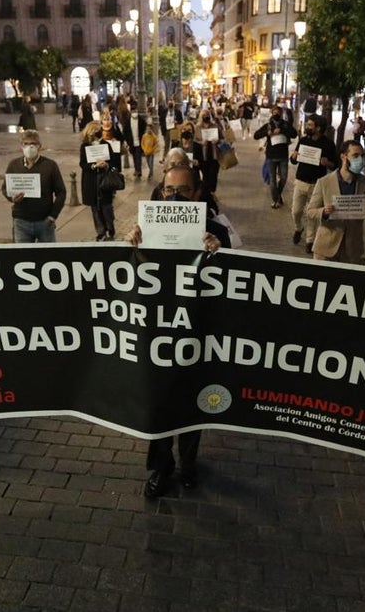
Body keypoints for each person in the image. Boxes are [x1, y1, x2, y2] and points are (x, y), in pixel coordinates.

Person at [126, 163, 230, 498]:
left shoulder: (216, 230)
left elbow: (234, 280)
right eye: (169, 190)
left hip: (195, 332)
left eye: (183, 190)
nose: (175, 197)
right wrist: (130, 246)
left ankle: (188, 463)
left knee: (190, 403)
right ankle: (161, 466)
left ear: (197, 193)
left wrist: (218, 252)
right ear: (160, 192)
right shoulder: (146, 227)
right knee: (158, 403)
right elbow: (128, 275)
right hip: (156, 332)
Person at [305, 140, 365, 264]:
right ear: (343, 157)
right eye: (355, 155)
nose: (360, 160)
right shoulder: (324, 182)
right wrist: (324, 212)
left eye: (362, 156)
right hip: (325, 248)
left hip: (352, 249)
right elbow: (310, 211)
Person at [1, 130, 66, 243]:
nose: (29, 147)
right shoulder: (14, 165)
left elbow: (61, 192)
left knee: (48, 253)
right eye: (25, 144)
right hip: (21, 221)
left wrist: (53, 216)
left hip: (44, 221)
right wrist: (12, 198)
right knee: (23, 253)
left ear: (39, 146)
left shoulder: (50, 165)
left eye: (33, 144)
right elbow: (5, 188)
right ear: (21, 146)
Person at [290, 115, 336, 252]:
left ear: (318, 128)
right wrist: (293, 157)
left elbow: (335, 165)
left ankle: (310, 241)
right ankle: (298, 228)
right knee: (296, 211)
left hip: (317, 184)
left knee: (312, 213)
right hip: (301, 181)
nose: (307, 127)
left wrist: (327, 163)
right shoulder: (303, 140)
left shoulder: (328, 144)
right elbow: (294, 160)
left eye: (310, 125)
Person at [79, 121, 122, 241]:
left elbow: (114, 163)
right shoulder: (85, 146)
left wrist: (107, 165)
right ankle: (100, 231)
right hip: (91, 182)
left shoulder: (106, 145)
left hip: (105, 181)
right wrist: (93, 166)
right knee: (95, 208)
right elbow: (82, 164)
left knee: (106, 207)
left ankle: (110, 229)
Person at [255, 106, 297, 209]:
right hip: (271, 156)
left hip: (283, 156)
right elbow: (256, 135)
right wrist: (267, 133)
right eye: (274, 112)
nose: (276, 114)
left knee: (284, 178)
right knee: (272, 180)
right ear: (271, 113)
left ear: (281, 114)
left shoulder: (285, 124)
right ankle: (275, 200)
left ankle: (277, 195)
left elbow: (294, 134)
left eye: (278, 112)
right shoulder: (268, 125)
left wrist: (282, 130)